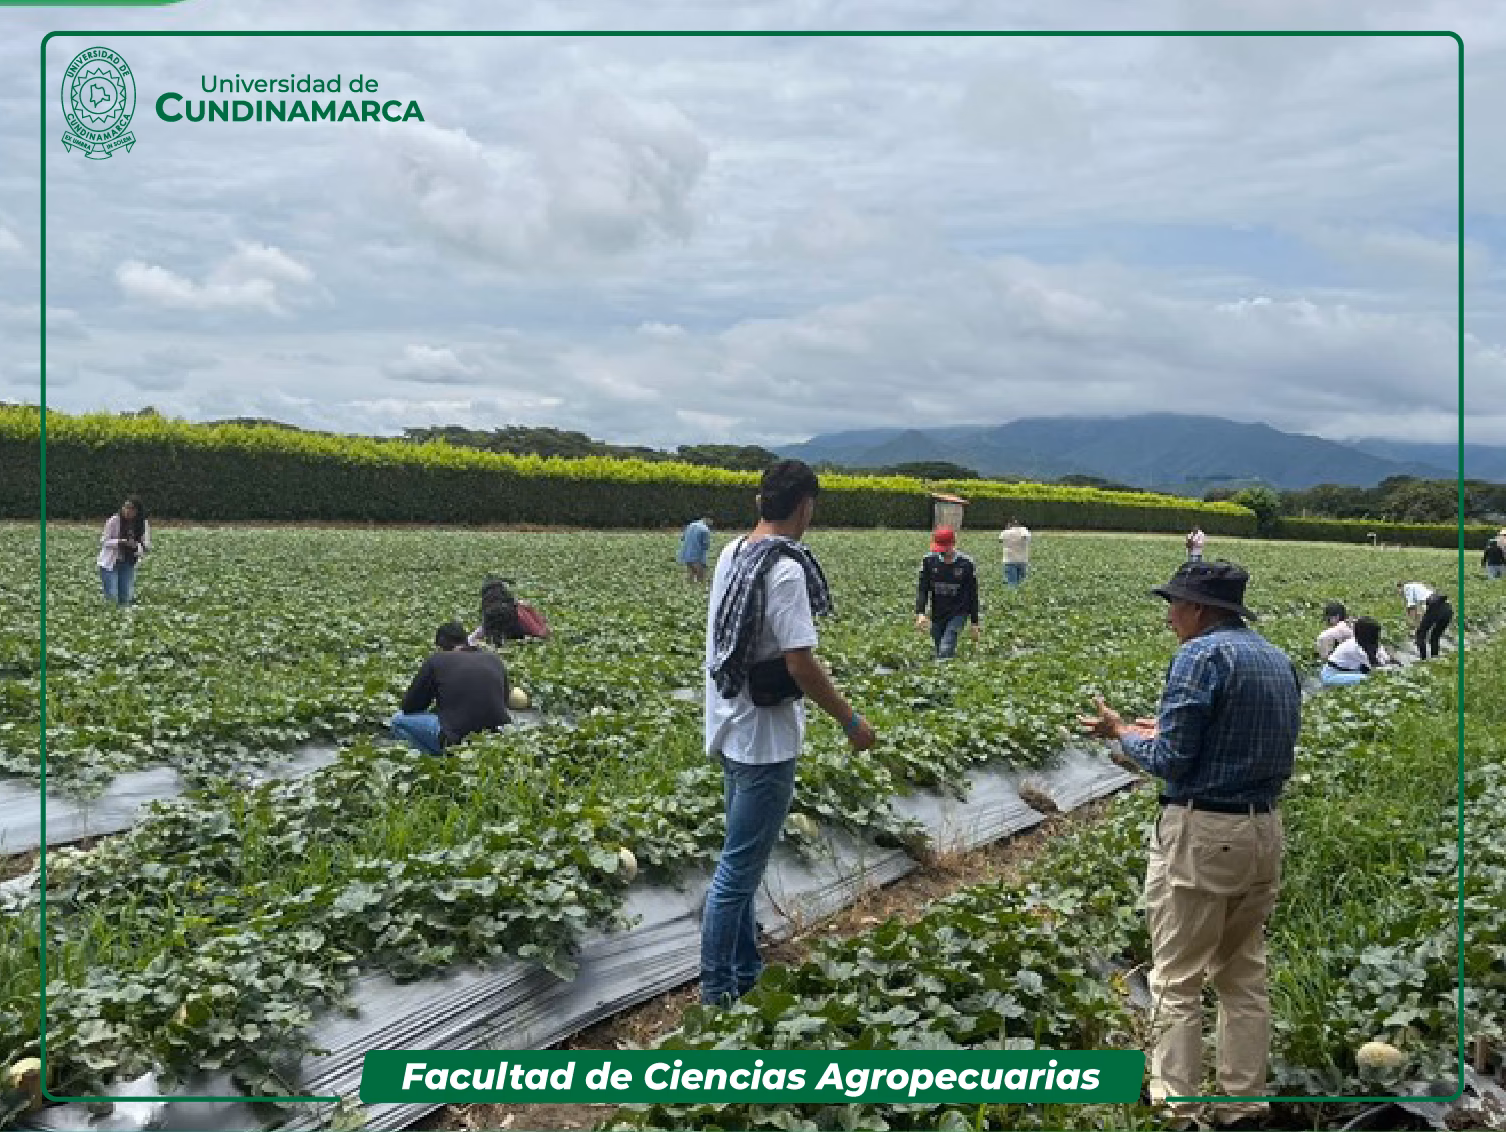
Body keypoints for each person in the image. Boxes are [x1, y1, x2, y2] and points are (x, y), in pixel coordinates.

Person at [1079, 560, 1302, 1131]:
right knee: (1243, 975)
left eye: (1174, 604)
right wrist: (1159, 729)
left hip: (1204, 834)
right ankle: (1243, 1105)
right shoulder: (1276, 660)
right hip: (1262, 832)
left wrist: (1123, 733)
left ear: (1199, 609)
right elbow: (1232, 740)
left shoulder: (1198, 657)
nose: (1169, 615)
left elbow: (1173, 761)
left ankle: (1178, 1110)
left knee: (1177, 980)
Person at [702, 460, 876, 1006]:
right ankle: (717, 994)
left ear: (762, 503)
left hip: (729, 723)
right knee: (737, 869)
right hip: (766, 739)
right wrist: (852, 721)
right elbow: (800, 663)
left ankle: (747, 971)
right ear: (805, 505)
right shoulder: (784, 569)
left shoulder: (733, 553)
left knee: (742, 859)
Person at [390, 621, 512, 755]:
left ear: (442, 645)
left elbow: (410, 706)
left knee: (397, 720)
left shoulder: (437, 660)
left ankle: (436, 757)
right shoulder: (493, 659)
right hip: (492, 737)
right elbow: (504, 700)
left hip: (454, 737)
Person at [914, 527, 981, 659]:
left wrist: (974, 622)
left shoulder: (966, 563)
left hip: (958, 613)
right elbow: (923, 589)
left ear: (953, 544)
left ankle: (943, 671)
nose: (943, 552)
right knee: (939, 646)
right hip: (938, 612)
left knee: (946, 647)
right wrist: (920, 613)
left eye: (945, 548)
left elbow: (973, 594)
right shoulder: (929, 561)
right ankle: (948, 672)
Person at [98, 497, 151, 606]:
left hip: (128, 562)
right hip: (110, 563)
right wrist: (120, 542)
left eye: (131, 508)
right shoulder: (114, 520)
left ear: (137, 511)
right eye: (125, 507)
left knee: (125, 597)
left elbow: (146, 545)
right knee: (111, 597)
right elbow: (104, 541)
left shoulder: (142, 523)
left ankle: (123, 619)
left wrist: (137, 546)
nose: (127, 510)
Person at [1321, 616, 1390, 687]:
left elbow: (1382, 656)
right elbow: (1374, 668)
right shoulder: (1354, 647)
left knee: (1368, 674)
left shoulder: (1366, 643)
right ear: (1369, 635)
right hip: (1332, 675)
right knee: (1367, 679)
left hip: (1346, 671)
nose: (1378, 636)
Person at [1398, 582, 1452, 660]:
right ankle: (1435, 658)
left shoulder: (1407, 588)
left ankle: (1423, 660)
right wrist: (1420, 621)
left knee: (1420, 635)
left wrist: (1416, 625)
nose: (1400, 594)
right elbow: (1424, 613)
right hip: (1447, 609)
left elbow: (1411, 608)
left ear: (1400, 587)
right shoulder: (1420, 587)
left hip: (1436, 606)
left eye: (1399, 591)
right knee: (1435, 636)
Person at [679, 516, 713, 583]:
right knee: (701, 576)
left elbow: (682, 538)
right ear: (708, 520)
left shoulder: (691, 525)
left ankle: (689, 590)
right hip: (697, 556)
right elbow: (706, 546)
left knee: (690, 574)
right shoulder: (705, 529)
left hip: (686, 554)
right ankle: (699, 589)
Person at [999, 517, 1031, 587]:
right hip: (1022, 561)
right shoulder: (1024, 530)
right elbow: (1026, 537)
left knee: (1012, 585)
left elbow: (1000, 540)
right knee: (1022, 585)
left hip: (1009, 561)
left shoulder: (1005, 532)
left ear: (1009, 524)